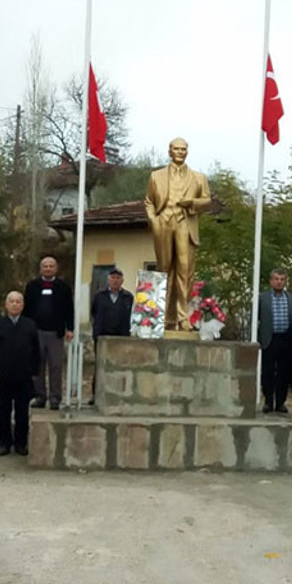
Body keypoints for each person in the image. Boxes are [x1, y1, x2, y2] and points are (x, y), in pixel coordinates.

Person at [145, 137, 213, 331]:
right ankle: (163, 318)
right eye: (176, 149)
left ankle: (184, 319)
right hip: (164, 222)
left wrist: (191, 202)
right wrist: (154, 220)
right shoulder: (156, 176)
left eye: (183, 149)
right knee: (164, 270)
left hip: (185, 222)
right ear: (169, 151)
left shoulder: (198, 177)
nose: (180, 152)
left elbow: (207, 200)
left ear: (187, 152)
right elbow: (149, 201)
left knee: (185, 271)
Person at [0, 291, 41, 455]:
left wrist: (35, 372)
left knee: (22, 411)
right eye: (11, 301)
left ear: (23, 305)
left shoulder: (30, 325)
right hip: (3, 376)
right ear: (6, 305)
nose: (15, 304)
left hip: (24, 376)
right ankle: (4, 442)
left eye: (18, 301)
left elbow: (36, 351)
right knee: (4, 411)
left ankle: (21, 443)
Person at [23, 257, 74, 410]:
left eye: (51, 266)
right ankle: (40, 396)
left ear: (56, 269)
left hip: (55, 333)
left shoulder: (63, 287)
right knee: (37, 366)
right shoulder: (32, 286)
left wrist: (69, 328)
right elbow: (26, 310)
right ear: (41, 269)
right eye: (45, 266)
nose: (48, 269)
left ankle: (55, 398)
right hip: (36, 332)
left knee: (56, 366)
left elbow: (69, 309)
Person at [258, 269, 292, 414]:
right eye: (276, 279)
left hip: (287, 339)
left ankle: (280, 402)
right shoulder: (262, 298)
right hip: (269, 338)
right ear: (271, 281)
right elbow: (256, 319)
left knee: (284, 372)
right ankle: (268, 401)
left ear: (285, 281)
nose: (279, 282)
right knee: (267, 371)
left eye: (282, 279)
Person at [89, 268, 133, 404]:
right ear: (108, 280)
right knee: (100, 366)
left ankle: (119, 394)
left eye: (118, 278)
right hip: (102, 336)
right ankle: (95, 395)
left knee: (120, 366)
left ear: (122, 280)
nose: (115, 280)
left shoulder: (128, 297)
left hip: (121, 337)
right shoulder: (99, 296)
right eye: (113, 278)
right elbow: (94, 312)